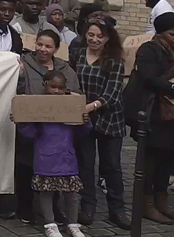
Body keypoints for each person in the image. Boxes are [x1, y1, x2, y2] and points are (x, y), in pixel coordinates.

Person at [13, 71, 91, 237]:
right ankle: (50, 223)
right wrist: (21, 123)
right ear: (45, 85)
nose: (56, 91)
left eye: (60, 88)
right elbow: (31, 133)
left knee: (71, 193)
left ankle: (72, 223)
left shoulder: (70, 107)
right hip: (45, 158)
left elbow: (81, 133)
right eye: (53, 86)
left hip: (66, 157)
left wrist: (85, 121)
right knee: (46, 193)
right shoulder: (38, 108)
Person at [16, 30, 80, 225]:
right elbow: (17, 92)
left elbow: (74, 95)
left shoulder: (66, 69)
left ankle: (54, 211)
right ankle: (25, 208)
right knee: (25, 166)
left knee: (53, 173)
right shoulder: (23, 64)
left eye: (48, 46)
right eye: (40, 44)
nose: (43, 49)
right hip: (31, 125)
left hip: (57, 130)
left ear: (56, 49)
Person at [72, 18, 129, 229]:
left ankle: (117, 210)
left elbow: (113, 94)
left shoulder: (115, 61)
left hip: (109, 119)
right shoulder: (78, 55)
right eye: (91, 35)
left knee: (111, 166)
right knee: (85, 165)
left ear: (107, 38)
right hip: (84, 120)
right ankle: (87, 206)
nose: (94, 39)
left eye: (99, 36)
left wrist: (90, 106)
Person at [123, 12, 174, 224]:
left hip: (170, 115)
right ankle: (146, 204)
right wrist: (171, 86)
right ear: (162, 33)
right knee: (151, 160)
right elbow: (150, 78)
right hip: (152, 113)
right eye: (172, 33)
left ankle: (162, 200)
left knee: (167, 159)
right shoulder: (149, 50)